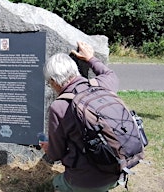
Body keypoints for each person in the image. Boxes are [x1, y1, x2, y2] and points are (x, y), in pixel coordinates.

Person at [40, 41, 120, 192]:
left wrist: (48, 147)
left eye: (49, 83)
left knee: (57, 183)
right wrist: (90, 58)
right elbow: (110, 75)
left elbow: (55, 154)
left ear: (54, 82)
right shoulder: (101, 85)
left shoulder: (59, 107)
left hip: (84, 182)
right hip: (117, 170)